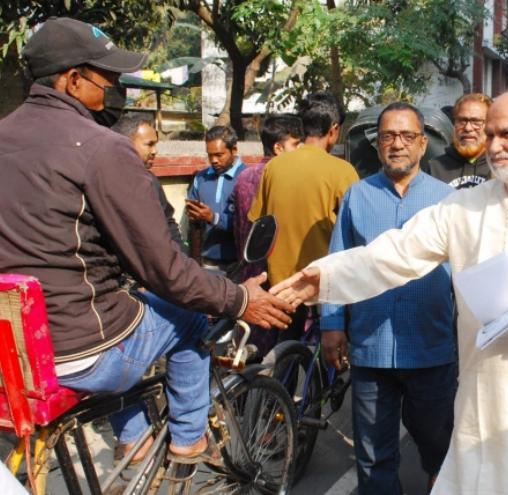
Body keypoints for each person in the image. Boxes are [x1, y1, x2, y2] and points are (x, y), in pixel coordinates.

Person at [272, 83, 508, 494]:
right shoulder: (463, 206)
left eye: (507, 134)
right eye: (490, 134)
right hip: (484, 402)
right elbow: (394, 254)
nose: (494, 146)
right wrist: (324, 278)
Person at [0, 17, 291, 464]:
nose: (116, 90)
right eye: (109, 79)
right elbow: (166, 271)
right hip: (80, 351)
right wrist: (238, 299)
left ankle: (133, 440)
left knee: (132, 311)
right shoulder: (101, 147)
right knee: (188, 317)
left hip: (16, 348)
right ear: (73, 80)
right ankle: (189, 438)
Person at [321, 102, 457, 494]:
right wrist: (332, 325)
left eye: (407, 136)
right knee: (373, 454)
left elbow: (467, 269)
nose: (397, 144)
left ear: (422, 143)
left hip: (431, 347)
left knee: (439, 446)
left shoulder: (448, 201)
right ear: (378, 144)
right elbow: (337, 264)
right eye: (388, 136)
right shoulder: (357, 196)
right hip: (371, 346)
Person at [249, 92, 359, 338]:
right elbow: (355, 229)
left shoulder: (273, 167)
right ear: (334, 130)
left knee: (286, 346)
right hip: (324, 283)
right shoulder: (343, 171)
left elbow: (259, 221)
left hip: (282, 284)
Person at [230, 113, 302, 261]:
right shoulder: (288, 175)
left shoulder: (244, 176)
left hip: (248, 264)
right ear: (278, 148)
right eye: (295, 145)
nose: (301, 150)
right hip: (278, 267)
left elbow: (238, 228)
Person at [112, 114, 183, 247]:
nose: (155, 151)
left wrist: (180, 252)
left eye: (155, 144)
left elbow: (168, 222)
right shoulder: (106, 182)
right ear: (126, 143)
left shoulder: (151, 181)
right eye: (149, 144)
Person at [186, 125, 245, 270]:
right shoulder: (200, 179)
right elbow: (194, 226)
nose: (213, 160)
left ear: (234, 150)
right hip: (208, 264)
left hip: (239, 264)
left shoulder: (247, 178)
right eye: (210, 155)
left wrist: (214, 218)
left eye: (219, 155)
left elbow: (248, 223)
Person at [424, 93, 492, 189]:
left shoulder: (500, 167)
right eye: (462, 121)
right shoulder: (435, 168)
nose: (468, 128)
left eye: (476, 122)